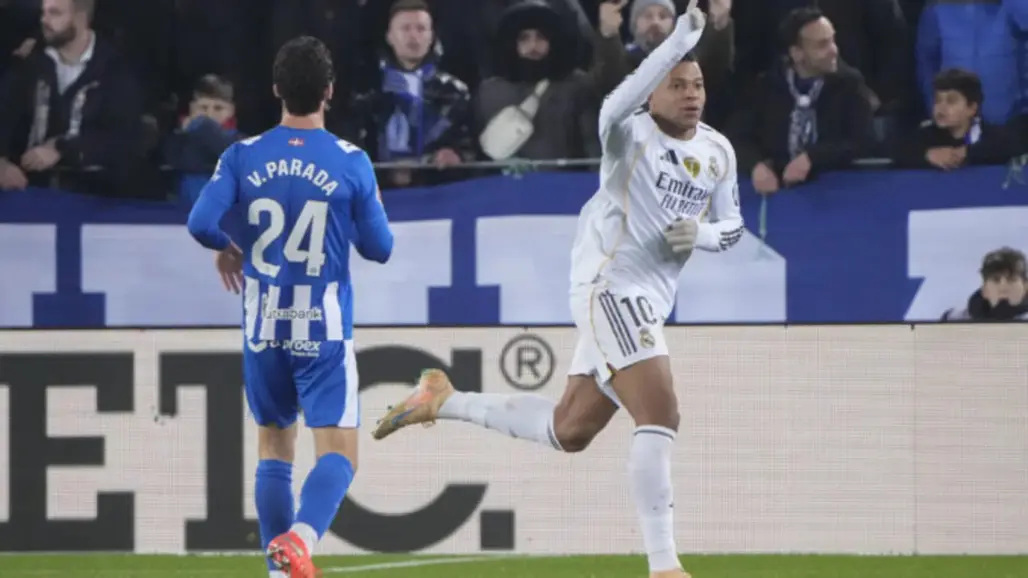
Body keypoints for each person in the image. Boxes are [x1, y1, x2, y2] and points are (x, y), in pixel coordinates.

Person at [372, 2, 742, 577]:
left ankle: (443, 398)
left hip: (651, 300)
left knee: (569, 430)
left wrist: (705, 234)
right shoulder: (628, 134)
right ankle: (665, 566)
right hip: (609, 285)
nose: (691, 94)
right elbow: (613, 102)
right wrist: (675, 41)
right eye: (677, 85)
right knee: (661, 412)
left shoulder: (718, 151)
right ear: (653, 94)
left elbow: (734, 225)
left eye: (696, 85)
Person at [186, 36, 393, 578]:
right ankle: (299, 542)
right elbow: (380, 248)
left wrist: (229, 247)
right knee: (340, 454)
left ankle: (278, 572)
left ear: (277, 89)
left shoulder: (242, 155)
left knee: (274, 448)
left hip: (264, 326)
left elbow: (200, 223)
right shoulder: (351, 161)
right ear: (330, 91)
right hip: (322, 328)